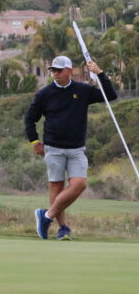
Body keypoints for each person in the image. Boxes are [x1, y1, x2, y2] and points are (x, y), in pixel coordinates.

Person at [25, 55, 116, 241]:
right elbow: (30, 118)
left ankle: (46, 216)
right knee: (56, 187)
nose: (55, 74)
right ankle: (63, 228)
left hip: (76, 149)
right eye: (53, 70)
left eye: (59, 70)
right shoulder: (45, 93)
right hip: (53, 148)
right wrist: (35, 142)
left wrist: (99, 73)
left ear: (69, 70)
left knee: (80, 184)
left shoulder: (82, 90)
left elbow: (110, 95)